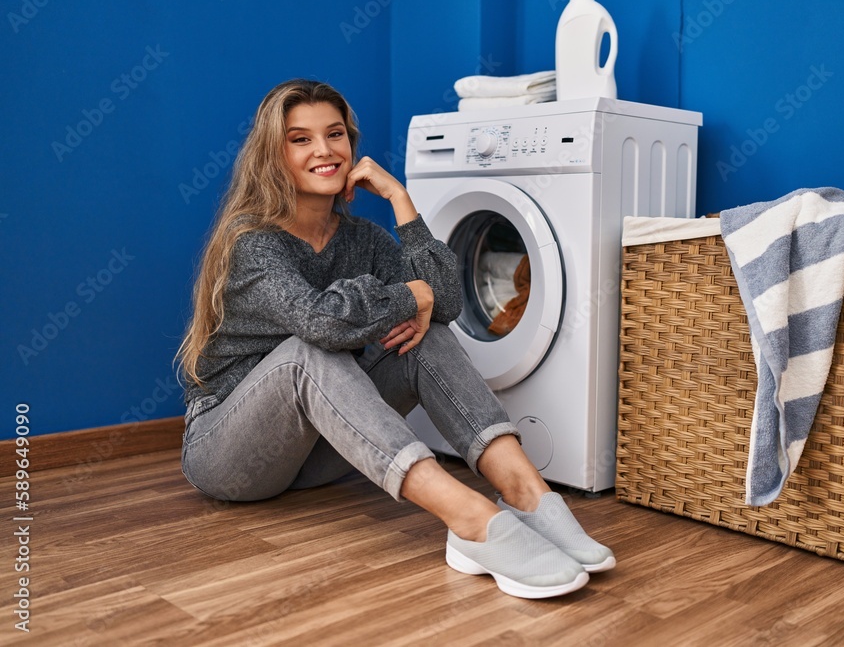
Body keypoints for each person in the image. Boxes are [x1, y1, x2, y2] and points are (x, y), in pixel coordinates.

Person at [176, 79, 614, 599]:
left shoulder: (363, 240)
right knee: (306, 354)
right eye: (300, 139)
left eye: (335, 134)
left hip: (318, 454)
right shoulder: (253, 242)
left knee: (425, 338)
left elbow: (446, 305)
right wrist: (413, 294)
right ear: (273, 155)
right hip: (228, 453)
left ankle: (527, 493)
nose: (324, 150)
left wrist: (400, 200)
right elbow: (322, 323)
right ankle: (472, 519)